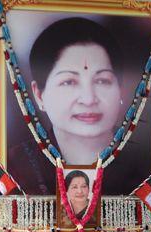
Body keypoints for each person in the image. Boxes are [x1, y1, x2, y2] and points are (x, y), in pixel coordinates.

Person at [29, 17, 123, 166]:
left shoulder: (144, 166)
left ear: (120, 90)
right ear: (39, 96)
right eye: (69, 82)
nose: (88, 99)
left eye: (102, 81)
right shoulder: (18, 167)